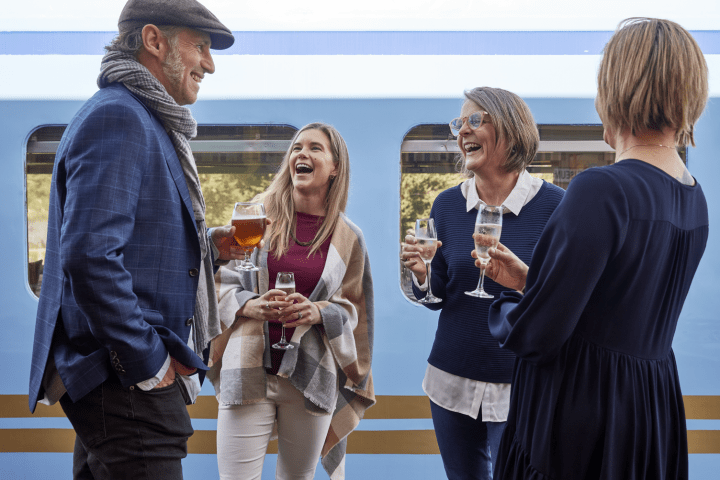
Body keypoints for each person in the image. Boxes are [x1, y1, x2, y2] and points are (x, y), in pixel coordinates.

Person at [483, 18, 709, 480]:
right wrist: (535, 281)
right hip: (648, 408)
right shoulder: (693, 195)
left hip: (580, 415)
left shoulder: (601, 189)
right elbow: (622, 306)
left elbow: (537, 336)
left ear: (616, 90)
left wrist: (510, 301)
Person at [27, 1, 240, 478]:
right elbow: (90, 255)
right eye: (200, 46)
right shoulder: (121, 118)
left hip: (112, 377)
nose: (209, 63)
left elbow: (129, 247)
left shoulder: (141, 117)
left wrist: (208, 249)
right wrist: (147, 361)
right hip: (122, 376)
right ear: (153, 40)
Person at [400, 87, 565, 480]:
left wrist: (525, 282)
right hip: (450, 379)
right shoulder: (446, 204)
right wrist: (422, 275)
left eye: (475, 120)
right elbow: (439, 295)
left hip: (522, 385)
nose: (462, 132)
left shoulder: (557, 206)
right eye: (459, 124)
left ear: (511, 128)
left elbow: (564, 300)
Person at [208, 123, 375, 480]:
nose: (302, 153)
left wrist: (318, 312)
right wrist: (246, 305)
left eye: (316, 148)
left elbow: (355, 311)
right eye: (297, 147)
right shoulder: (254, 217)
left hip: (311, 374)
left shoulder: (349, 238)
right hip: (247, 367)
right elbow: (218, 280)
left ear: (335, 168)